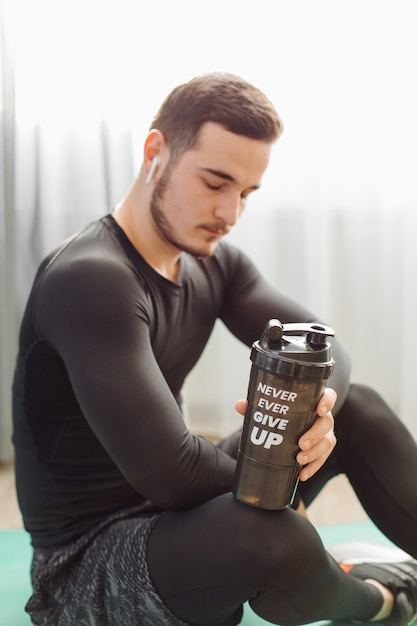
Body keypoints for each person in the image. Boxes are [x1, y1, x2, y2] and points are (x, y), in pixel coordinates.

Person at [12, 72, 417, 626]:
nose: (230, 214)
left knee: (357, 407)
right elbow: (172, 473)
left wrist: (313, 417)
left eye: (246, 193)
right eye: (214, 182)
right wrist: (279, 474)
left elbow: (326, 349)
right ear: (157, 152)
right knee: (272, 533)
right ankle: (385, 601)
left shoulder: (213, 263)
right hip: (87, 566)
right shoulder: (91, 279)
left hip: (179, 519)